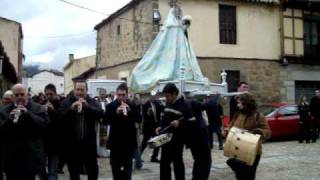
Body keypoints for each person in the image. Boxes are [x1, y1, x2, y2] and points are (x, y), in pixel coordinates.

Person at [0, 84, 49, 180]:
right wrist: (9, 120)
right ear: (12, 96)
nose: (19, 97)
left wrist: (28, 114)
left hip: (31, 157)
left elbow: (45, 126)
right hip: (11, 158)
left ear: (27, 95)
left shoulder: (38, 108)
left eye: (22, 94)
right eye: (16, 95)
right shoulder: (4, 111)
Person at [59, 81, 103, 180]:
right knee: (73, 171)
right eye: (78, 89)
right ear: (74, 90)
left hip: (89, 144)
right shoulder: (66, 102)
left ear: (86, 91)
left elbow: (101, 114)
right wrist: (71, 109)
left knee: (92, 169)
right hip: (72, 144)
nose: (80, 92)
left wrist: (87, 107)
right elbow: (60, 117)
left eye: (82, 90)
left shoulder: (92, 101)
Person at [226, 93, 271, 180]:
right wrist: (227, 130)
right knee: (240, 176)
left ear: (246, 103)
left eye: (239, 103)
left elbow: (268, 132)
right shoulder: (237, 114)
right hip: (237, 150)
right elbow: (230, 126)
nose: (237, 105)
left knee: (249, 175)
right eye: (237, 103)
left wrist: (258, 132)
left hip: (252, 151)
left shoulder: (258, 116)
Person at [156, 83, 192, 180]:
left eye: (167, 96)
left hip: (177, 140)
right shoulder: (168, 103)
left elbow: (191, 121)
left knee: (177, 163)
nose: (166, 98)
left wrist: (179, 123)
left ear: (174, 94)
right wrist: (160, 126)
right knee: (164, 162)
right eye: (165, 96)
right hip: (165, 138)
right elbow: (164, 117)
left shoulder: (184, 104)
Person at [105, 83, 140, 180]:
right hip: (115, 144)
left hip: (128, 145)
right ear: (116, 94)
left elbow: (139, 119)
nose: (121, 97)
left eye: (123, 95)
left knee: (127, 173)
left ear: (127, 94)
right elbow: (105, 121)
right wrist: (116, 113)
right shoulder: (110, 106)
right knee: (116, 172)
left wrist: (130, 111)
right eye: (119, 95)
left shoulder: (133, 105)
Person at [184, 98, 212, 180]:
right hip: (200, 137)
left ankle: (195, 177)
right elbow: (208, 105)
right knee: (205, 160)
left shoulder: (183, 104)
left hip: (191, 138)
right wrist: (212, 97)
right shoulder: (192, 101)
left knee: (198, 160)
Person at [141, 92, 164, 163]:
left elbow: (163, 109)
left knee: (158, 141)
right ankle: (138, 156)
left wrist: (162, 104)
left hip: (155, 127)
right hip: (148, 127)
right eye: (152, 96)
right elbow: (144, 116)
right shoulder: (145, 105)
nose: (154, 98)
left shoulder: (157, 103)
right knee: (144, 142)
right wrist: (148, 113)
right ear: (150, 97)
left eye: (155, 96)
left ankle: (154, 157)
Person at [0, 90, 14, 180]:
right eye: (5, 99)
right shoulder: (1, 111)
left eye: (9, 100)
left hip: (11, 146)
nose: (6, 101)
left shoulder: (16, 110)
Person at [96, 88, 111, 157]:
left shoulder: (108, 101)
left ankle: (106, 152)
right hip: (99, 123)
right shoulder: (96, 101)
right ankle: (98, 152)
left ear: (105, 94)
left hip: (107, 123)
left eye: (103, 93)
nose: (102, 95)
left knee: (106, 137)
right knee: (98, 137)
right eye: (101, 93)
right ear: (99, 94)